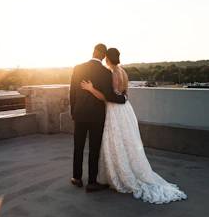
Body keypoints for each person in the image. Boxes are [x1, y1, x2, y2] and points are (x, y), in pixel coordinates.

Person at [81, 48, 187, 204]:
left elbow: (109, 98)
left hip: (115, 110)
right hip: (126, 109)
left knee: (115, 141)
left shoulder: (113, 74)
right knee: (127, 141)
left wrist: (91, 89)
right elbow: (125, 95)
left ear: (108, 60)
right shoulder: (123, 72)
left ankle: (121, 174)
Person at [70, 44, 127, 192]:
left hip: (80, 114)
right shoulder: (105, 72)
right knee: (94, 149)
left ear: (93, 52)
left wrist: (73, 114)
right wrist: (123, 99)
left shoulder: (78, 68)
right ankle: (92, 182)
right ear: (103, 56)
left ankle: (76, 178)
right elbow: (109, 96)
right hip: (96, 116)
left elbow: (72, 94)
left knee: (78, 146)